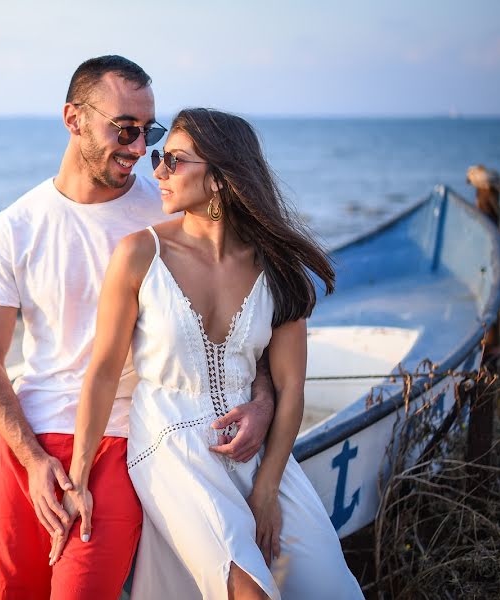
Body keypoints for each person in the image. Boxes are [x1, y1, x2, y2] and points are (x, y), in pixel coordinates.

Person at [0, 58, 275, 600]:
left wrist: (264, 402)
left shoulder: (169, 217)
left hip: (120, 438)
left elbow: (244, 325)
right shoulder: (14, 227)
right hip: (26, 443)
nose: (139, 149)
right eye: (125, 129)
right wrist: (33, 459)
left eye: (149, 132)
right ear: (74, 119)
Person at [55, 109, 365, 599]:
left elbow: (290, 388)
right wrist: (78, 481)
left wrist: (267, 489)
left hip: (262, 454)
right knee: (249, 590)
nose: (156, 171)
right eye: (160, 158)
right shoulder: (140, 254)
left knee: (328, 584)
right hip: (168, 444)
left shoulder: (278, 269)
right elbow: (102, 373)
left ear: (221, 178)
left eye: (173, 161)